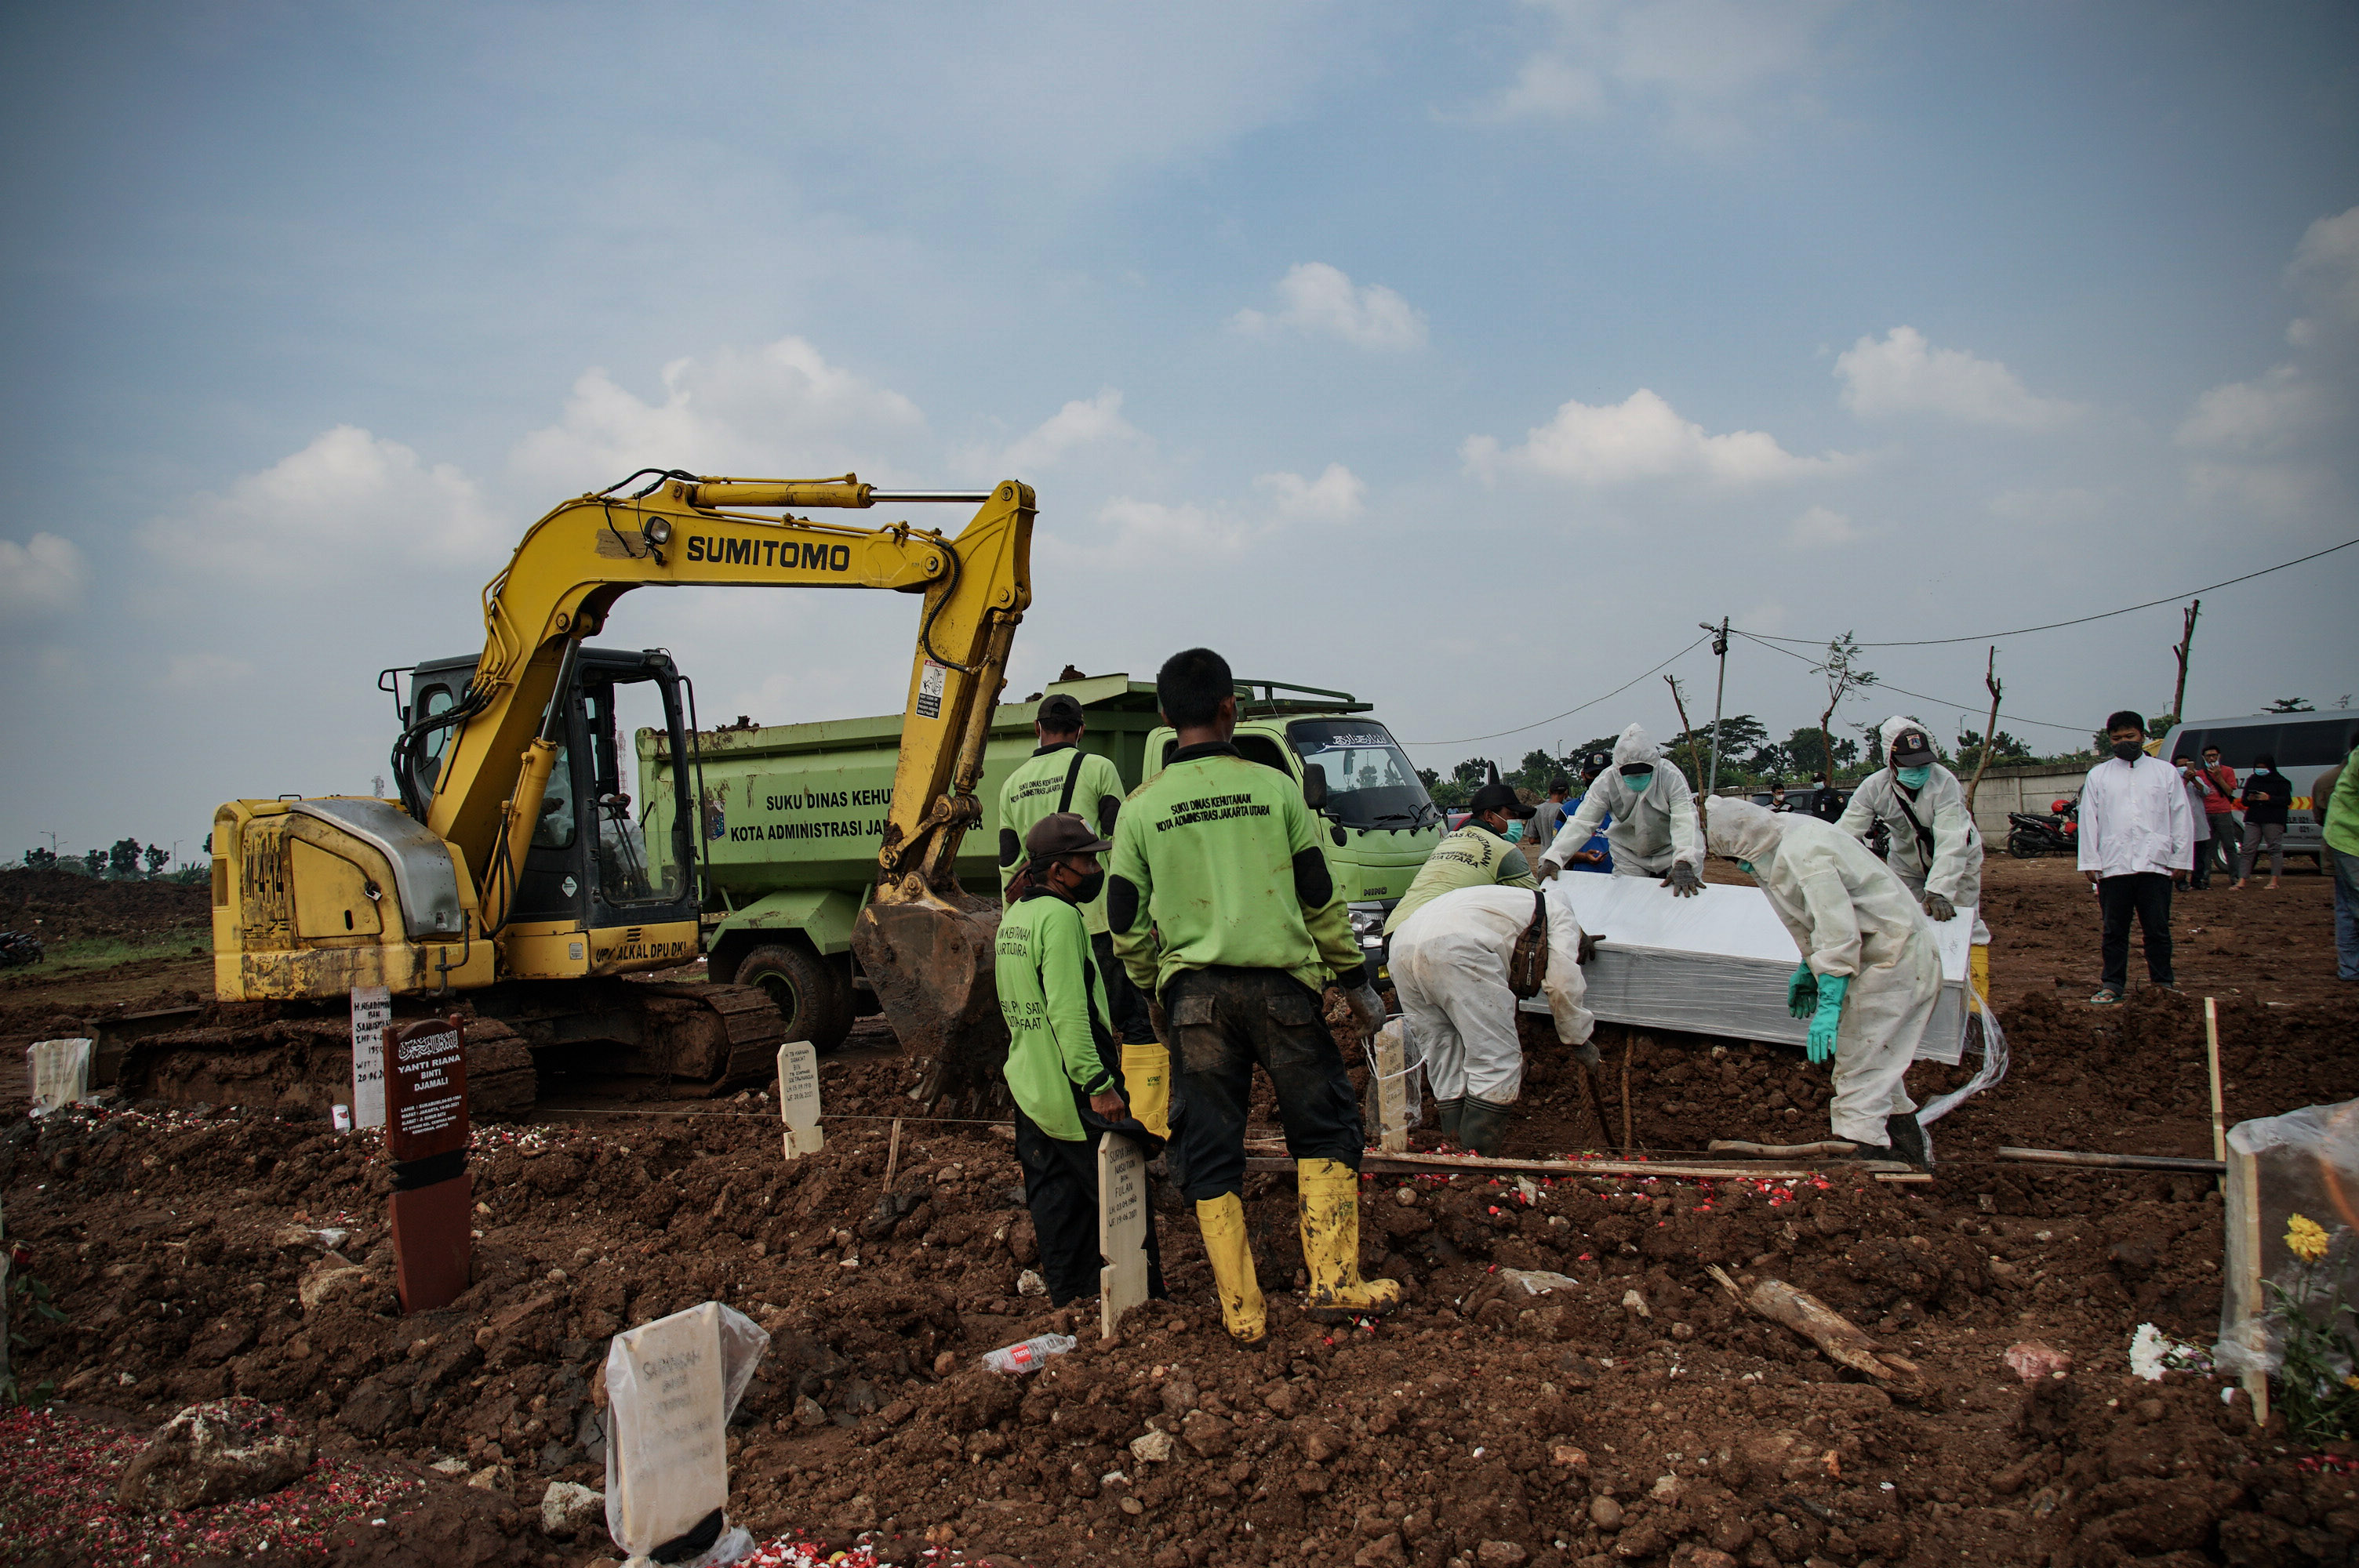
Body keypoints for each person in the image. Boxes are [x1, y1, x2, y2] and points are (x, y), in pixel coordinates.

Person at [1107, 648, 1396, 1343]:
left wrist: (1156, 988)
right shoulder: (1276, 791)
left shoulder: (1141, 810)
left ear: (1165, 716)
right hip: (1283, 995)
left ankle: (1243, 1312)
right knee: (1325, 1127)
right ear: (1231, 707)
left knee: (1209, 1148)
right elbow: (1321, 900)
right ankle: (1334, 1281)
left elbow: (1123, 921)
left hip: (1194, 1004)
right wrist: (1355, 981)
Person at [994, 812, 1168, 1308]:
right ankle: (1144, 1301)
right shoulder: (1062, 919)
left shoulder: (1015, 919)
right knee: (1121, 1195)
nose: (1095, 867)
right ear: (1057, 871)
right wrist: (1099, 1084)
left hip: (1030, 1087)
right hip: (1076, 1086)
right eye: (1086, 859)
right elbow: (1070, 1012)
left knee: (1055, 1202)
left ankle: (1071, 1303)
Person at [1707, 800, 1938, 1167]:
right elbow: (1822, 917)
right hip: (1881, 953)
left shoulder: (1804, 854)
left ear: (1747, 841)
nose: (1741, 867)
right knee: (1878, 1060)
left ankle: (1865, 1154)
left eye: (1736, 859)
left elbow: (1838, 932)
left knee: (1858, 1061)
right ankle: (1909, 1154)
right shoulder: (1785, 839)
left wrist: (1829, 1003)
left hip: (1892, 960)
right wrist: (1808, 966)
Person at [999, 691, 1166, 1130]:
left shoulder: (1011, 785)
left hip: (1041, 928)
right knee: (1135, 1023)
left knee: (1066, 1026)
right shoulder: (1098, 769)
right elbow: (1123, 842)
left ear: (1038, 729)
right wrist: (1144, 915)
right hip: (1101, 925)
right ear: (1081, 729)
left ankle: (1074, 1119)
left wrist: (1013, 929)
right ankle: (1145, 1124)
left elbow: (1008, 868)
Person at [1389, 884, 1595, 1156]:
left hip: (1402, 945)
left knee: (1443, 1052)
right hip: (1458, 948)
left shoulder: (1509, 901)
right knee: (1497, 1059)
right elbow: (1561, 985)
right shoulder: (1559, 915)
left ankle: (1453, 1150)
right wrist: (1578, 1037)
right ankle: (1476, 1159)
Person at [1837, 717, 1990, 1005]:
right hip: (1907, 865)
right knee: (1903, 926)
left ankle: (1975, 1007)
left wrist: (1940, 890)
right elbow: (1844, 835)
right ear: (1891, 762)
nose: (1919, 771)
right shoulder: (1874, 788)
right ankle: (1913, 999)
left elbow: (1951, 838)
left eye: (1923, 764)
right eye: (1910, 765)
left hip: (1958, 862)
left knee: (1965, 925)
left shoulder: (1944, 783)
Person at [2077, 710, 2194, 1005]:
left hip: (2156, 863)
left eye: (2130, 736)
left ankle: (2162, 983)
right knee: (2114, 929)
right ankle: (2113, 983)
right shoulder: (2099, 775)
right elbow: (2089, 820)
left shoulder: (2164, 772)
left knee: (2156, 928)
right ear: (2110, 741)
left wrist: (2180, 860)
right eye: (2117, 738)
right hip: (2114, 864)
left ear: (2143, 736)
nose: (2123, 742)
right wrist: (2090, 861)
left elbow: (2180, 815)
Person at [1534, 724, 1704, 895]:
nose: (1636, 778)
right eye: (1630, 773)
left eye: (1642, 772)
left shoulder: (1670, 777)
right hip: (1629, 853)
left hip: (1671, 851)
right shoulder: (1607, 780)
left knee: (1682, 900)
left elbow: (1685, 819)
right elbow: (1582, 821)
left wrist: (1684, 860)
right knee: (1629, 902)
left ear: (1654, 764)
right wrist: (1554, 858)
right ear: (1618, 768)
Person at [1383, 776, 1538, 936]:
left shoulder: (1449, 841)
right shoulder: (1504, 850)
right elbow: (1537, 905)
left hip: (1395, 931)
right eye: (1511, 815)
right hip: (1437, 934)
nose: (1516, 821)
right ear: (1489, 816)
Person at [2320, 729, 2358, 982]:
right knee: (2353, 904)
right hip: (2348, 838)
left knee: (2347, 906)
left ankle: (2350, 969)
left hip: (2342, 835)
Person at [2233, 753, 2292, 891]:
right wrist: (2251, 798)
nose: (2260, 770)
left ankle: (2274, 880)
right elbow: (2244, 800)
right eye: (2258, 767)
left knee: (2274, 849)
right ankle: (2242, 880)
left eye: (2263, 767)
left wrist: (2269, 798)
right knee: (2247, 849)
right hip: (2254, 818)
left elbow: (2286, 800)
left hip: (2273, 818)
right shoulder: (2252, 780)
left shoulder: (2281, 782)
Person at [2195, 745, 2241, 880]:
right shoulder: (2200, 774)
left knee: (2229, 845)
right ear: (2203, 758)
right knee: (2207, 847)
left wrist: (2219, 776)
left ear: (2219, 756)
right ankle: (2204, 878)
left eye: (2214, 755)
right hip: (2206, 813)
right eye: (2208, 756)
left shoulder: (2228, 771)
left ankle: (2235, 877)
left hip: (2223, 812)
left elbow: (2229, 791)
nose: (2212, 758)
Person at [2173, 755, 2213, 891]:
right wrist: (2184, 780)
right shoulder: (2175, 781)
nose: (2184, 767)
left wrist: (2194, 780)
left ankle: (2197, 880)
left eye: (2186, 764)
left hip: (2198, 822)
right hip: (2181, 825)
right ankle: (2181, 882)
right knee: (2181, 854)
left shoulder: (2197, 779)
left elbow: (2206, 792)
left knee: (2199, 856)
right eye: (2181, 765)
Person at [1530, 776, 1575, 850]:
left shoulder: (1536, 809)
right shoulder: (1564, 810)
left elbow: (1532, 840)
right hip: (1559, 856)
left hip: (1543, 857)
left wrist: (1546, 839)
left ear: (1549, 791)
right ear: (1566, 792)